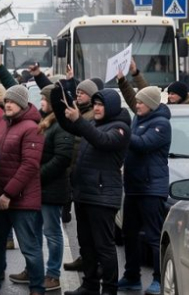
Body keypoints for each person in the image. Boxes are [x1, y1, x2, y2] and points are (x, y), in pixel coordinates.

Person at [52, 84, 131, 295]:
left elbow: (102, 141)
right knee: (86, 244)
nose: (96, 108)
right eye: (95, 104)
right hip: (85, 194)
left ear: (111, 107)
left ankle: (110, 289)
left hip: (103, 196)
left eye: (100, 104)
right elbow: (69, 125)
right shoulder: (93, 124)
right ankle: (90, 285)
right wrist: (58, 101)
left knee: (103, 247)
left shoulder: (120, 128)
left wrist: (79, 120)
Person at [7, 84, 72, 292]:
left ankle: (53, 274)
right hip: (37, 189)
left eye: (44, 99)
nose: (40, 102)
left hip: (51, 189)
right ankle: (32, 270)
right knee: (32, 233)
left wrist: (35, 175)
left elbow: (62, 158)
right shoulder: (43, 122)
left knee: (52, 233)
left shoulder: (61, 125)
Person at [0, 85, 46, 295]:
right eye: (6, 101)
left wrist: (8, 194)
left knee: (30, 247)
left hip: (21, 199)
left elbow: (30, 165)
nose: (8, 104)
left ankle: (37, 288)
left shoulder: (31, 128)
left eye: (13, 101)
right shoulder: (2, 123)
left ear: (22, 104)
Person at [117, 86, 171, 295]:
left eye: (140, 102)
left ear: (151, 104)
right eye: (137, 102)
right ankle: (132, 277)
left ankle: (158, 279)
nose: (136, 105)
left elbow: (142, 144)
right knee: (129, 234)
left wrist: (123, 131)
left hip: (151, 189)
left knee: (153, 236)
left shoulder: (162, 124)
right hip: (133, 187)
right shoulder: (139, 119)